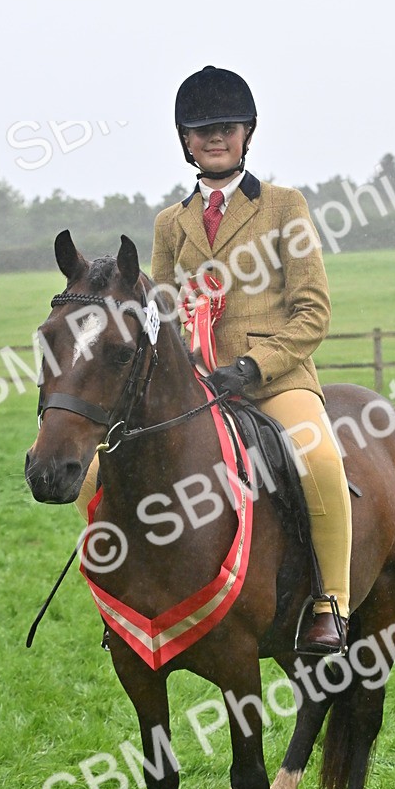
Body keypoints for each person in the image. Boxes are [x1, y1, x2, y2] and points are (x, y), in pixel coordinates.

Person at [149, 65, 352, 654]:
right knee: (102, 472)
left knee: (318, 459)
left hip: (273, 380)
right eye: (202, 129)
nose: (216, 138)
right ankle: (134, 600)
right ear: (185, 139)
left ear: (247, 133)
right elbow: (163, 313)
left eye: (227, 127)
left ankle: (328, 604)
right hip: (197, 388)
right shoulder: (170, 223)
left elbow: (312, 310)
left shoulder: (285, 206)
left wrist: (253, 366)